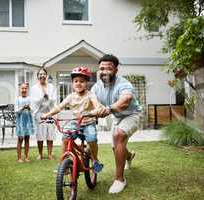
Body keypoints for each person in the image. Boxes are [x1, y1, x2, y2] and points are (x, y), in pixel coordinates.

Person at [91, 54, 142, 193]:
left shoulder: (124, 84)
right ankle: (129, 156)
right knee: (115, 147)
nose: (104, 71)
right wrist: (97, 108)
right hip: (117, 117)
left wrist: (108, 109)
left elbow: (124, 101)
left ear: (115, 70)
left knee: (119, 136)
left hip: (132, 115)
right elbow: (93, 99)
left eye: (109, 68)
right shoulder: (97, 86)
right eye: (102, 68)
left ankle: (120, 179)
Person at [41, 66, 104, 173]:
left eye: (82, 81)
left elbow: (97, 104)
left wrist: (97, 109)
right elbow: (59, 107)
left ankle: (95, 160)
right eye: (76, 81)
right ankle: (63, 164)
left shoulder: (90, 95)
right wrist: (47, 114)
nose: (78, 83)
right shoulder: (70, 96)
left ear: (87, 83)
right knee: (65, 137)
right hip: (76, 123)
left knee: (92, 138)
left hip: (88, 123)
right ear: (72, 83)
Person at [30, 68, 57, 160]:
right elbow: (34, 101)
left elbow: (53, 99)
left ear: (46, 75)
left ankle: (49, 154)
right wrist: (42, 97)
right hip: (39, 114)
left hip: (50, 113)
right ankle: (40, 154)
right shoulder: (34, 88)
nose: (42, 75)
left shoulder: (51, 87)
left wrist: (47, 97)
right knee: (40, 134)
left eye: (44, 74)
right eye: (40, 74)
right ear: (37, 76)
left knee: (50, 134)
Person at [15, 83, 34, 163]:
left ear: (27, 90)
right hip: (20, 122)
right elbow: (16, 111)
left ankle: (26, 157)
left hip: (28, 121)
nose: (24, 90)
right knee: (20, 139)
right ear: (20, 89)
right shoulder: (18, 99)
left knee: (27, 139)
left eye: (25, 88)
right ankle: (19, 157)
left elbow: (33, 111)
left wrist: (29, 108)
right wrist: (23, 108)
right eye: (22, 88)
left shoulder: (30, 99)